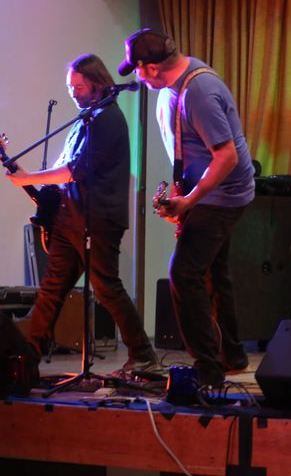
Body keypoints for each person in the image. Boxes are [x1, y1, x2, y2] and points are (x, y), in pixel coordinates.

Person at [4, 54, 160, 373]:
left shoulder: (108, 119)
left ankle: (143, 354)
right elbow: (62, 172)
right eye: (69, 87)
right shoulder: (85, 120)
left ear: (98, 83)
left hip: (98, 220)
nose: (73, 93)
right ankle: (26, 360)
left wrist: (28, 178)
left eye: (78, 86)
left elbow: (75, 170)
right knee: (51, 290)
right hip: (70, 218)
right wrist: (20, 171)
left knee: (106, 287)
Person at [119, 28, 256, 387]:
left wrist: (190, 200)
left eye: (137, 70)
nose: (137, 77)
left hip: (223, 195)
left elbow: (226, 157)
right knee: (213, 272)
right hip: (207, 193)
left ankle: (208, 370)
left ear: (151, 68)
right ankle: (232, 356)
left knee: (183, 273)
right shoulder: (174, 85)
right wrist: (181, 197)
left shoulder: (200, 92)